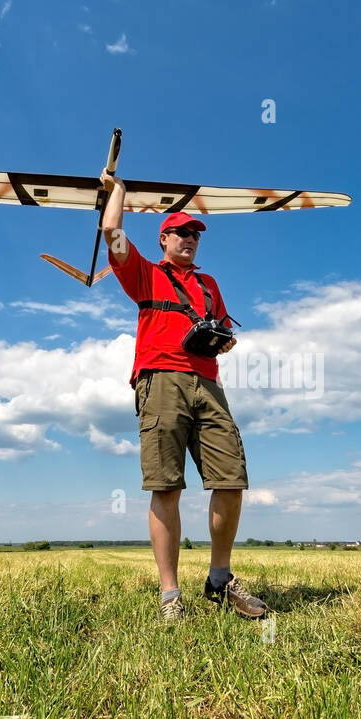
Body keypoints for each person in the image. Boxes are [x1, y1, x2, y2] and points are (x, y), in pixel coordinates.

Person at [98, 167, 269, 624]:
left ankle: (219, 579)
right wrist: (119, 192)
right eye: (180, 233)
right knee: (166, 487)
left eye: (195, 234)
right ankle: (171, 595)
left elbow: (224, 330)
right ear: (163, 240)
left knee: (231, 478)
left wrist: (225, 340)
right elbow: (112, 232)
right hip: (160, 381)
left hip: (208, 383)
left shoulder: (210, 284)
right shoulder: (144, 274)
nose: (190, 240)